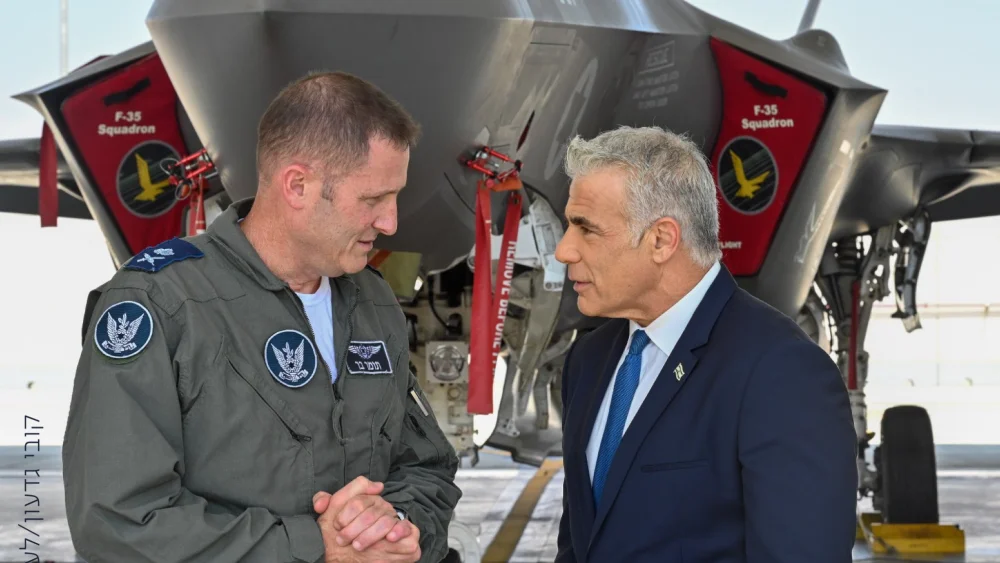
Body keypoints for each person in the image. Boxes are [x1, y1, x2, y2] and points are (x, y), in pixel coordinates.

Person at [63, 71, 462, 563]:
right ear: (297, 185)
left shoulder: (371, 301)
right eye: (373, 199)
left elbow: (427, 467)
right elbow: (118, 524)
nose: (391, 222)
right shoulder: (159, 304)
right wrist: (316, 546)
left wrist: (396, 527)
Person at [552, 126, 857, 562]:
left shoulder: (781, 372)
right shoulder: (589, 360)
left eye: (587, 230)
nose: (564, 250)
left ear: (661, 240)